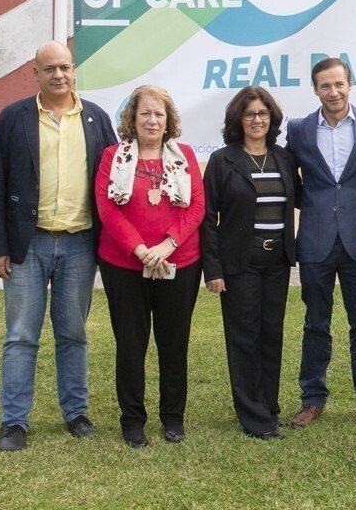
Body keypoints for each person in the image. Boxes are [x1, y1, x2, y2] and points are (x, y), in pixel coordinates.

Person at [0, 41, 117, 451]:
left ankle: (76, 414)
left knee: (73, 333)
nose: (59, 75)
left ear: (74, 71)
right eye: (50, 69)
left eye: (65, 67)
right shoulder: (13, 117)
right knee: (21, 335)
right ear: (35, 73)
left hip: (79, 244)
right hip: (28, 244)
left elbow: (113, 182)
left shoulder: (96, 118)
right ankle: (14, 422)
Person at [285, 57, 356, 429]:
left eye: (339, 84)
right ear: (315, 90)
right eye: (325, 86)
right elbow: (290, 181)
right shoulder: (299, 130)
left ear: (350, 85)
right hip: (315, 240)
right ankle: (312, 399)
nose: (333, 92)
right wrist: (316, 206)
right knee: (315, 323)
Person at [95, 85, 205, 448]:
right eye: (145, 113)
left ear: (169, 119)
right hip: (124, 265)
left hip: (180, 262)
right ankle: (132, 420)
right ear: (132, 117)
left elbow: (197, 208)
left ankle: (173, 417)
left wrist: (167, 245)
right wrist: (141, 250)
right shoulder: (112, 156)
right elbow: (107, 209)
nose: (152, 120)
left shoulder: (185, 155)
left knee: (174, 344)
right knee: (131, 344)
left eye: (159, 114)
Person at [201, 87, 300, 440]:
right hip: (239, 264)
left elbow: (301, 198)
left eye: (262, 113)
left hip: (278, 262)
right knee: (244, 338)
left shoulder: (284, 158)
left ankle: (269, 407)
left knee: (271, 335)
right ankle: (254, 417)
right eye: (249, 114)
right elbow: (207, 218)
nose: (257, 120)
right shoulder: (222, 161)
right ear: (238, 120)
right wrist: (213, 270)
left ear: (272, 118)